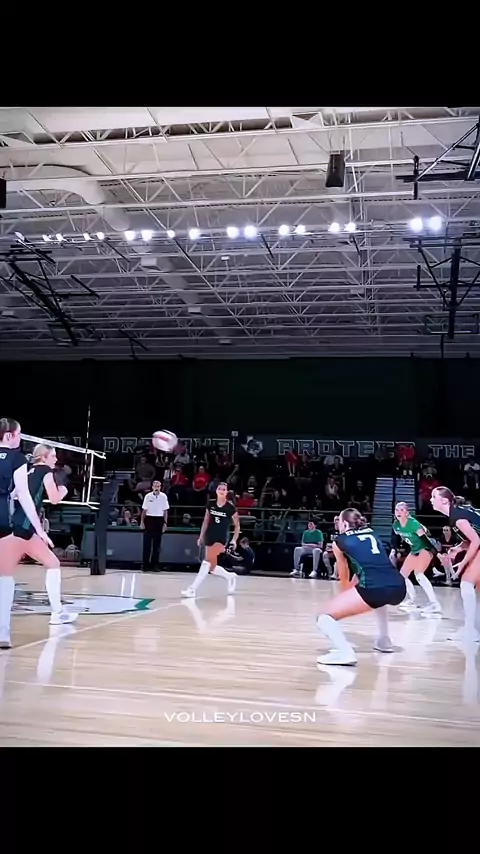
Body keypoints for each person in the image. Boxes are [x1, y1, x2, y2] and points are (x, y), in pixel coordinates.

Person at [316, 508, 406, 666]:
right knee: (380, 600)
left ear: (344, 523)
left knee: (323, 617)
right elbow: (367, 566)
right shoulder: (372, 533)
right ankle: (384, 641)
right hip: (399, 586)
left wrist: (344, 596)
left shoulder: (340, 541)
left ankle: (345, 653)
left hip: (374, 589)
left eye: (339, 522)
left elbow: (344, 573)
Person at [8, 443, 78, 627]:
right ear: (44, 457)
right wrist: (64, 489)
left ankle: (58, 613)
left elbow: (13, 495)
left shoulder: (27, 471)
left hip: (17, 524)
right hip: (24, 527)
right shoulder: (46, 471)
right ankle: (56, 613)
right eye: (53, 456)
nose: (56, 459)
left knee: (52, 563)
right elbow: (54, 498)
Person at [0, 419, 55, 649]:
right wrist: (40, 530)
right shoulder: (17, 458)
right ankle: (3, 632)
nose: (20, 438)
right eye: (19, 434)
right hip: (1, 516)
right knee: (4, 575)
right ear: (9, 435)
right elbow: (23, 494)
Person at [430, 487, 480, 643]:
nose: (431, 500)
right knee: (474, 588)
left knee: (466, 583)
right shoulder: (456, 515)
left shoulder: (457, 518)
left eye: (434, 497)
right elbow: (472, 538)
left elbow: (476, 541)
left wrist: (462, 563)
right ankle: (473, 629)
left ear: (444, 501)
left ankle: (470, 631)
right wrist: (458, 548)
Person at [181, 482, 239, 598]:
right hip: (210, 536)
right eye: (220, 488)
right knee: (211, 568)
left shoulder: (230, 508)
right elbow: (206, 521)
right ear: (216, 491)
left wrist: (234, 540)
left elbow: (237, 526)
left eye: (224, 489)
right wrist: (201, 536)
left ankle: (192, 589)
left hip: (221, 538)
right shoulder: (211, 504)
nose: (221, 491)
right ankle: (230, 576)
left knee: (206, 563)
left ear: (226, 492)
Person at [392, 502, 442, 615]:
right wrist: (396, 549)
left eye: (401, 510)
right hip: (414, 550)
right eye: (396, 510)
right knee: (402, 575)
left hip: (426, 548)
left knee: (419, 575)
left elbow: (425, 540)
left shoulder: (413, 523)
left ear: (407, 512)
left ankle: (434, 604)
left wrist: (437, 553)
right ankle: (412, 600)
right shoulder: (396, 525)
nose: (398, 512)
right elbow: (400, 539)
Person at [140, 480, 169, 572]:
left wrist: (165, 523)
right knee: (147, 544)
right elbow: (144, 510)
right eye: (155, 486)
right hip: (149, 519)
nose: (157, 488)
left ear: (160, 487)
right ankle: (145, 565)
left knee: (157, 545)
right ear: (152, 487)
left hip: (159, 520)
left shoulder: (163, 496)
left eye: (158, 486)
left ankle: (155, 565)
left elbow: (165, 511)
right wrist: (142, 521)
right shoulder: (148, 496)